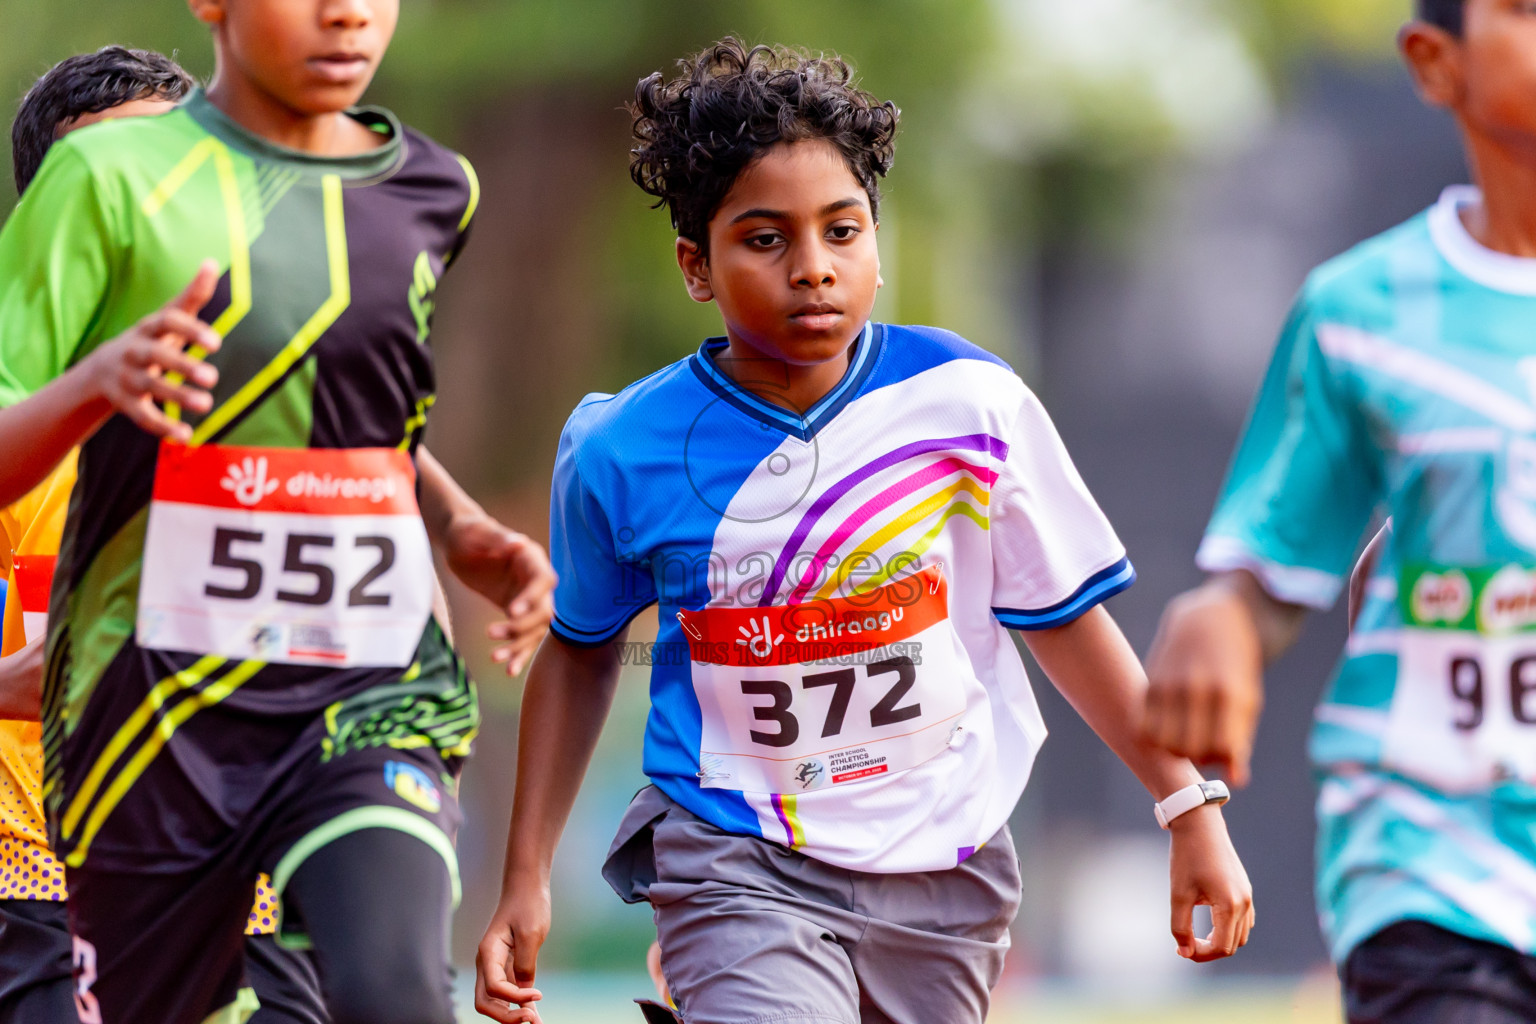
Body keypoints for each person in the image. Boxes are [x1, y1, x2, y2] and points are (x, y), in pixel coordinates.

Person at [475, 39, 1253, 1024]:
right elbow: (582, 653)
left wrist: (1188, 806)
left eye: (843, 231)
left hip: (946, 868)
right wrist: (525, 875)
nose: (814, 269)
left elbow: (1064, 620)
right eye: (765, 239)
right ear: (695, 265)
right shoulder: (623, 447)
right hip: (735, 854)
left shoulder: (967, 404)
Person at [0, 3, 555, 1023]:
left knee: (394, 994)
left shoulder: (419, 196)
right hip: (77, 833)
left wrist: (458, 527)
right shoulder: (45, 405)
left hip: (341, 725)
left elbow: (374, 435)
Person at [1141, 1, 1536, 1020]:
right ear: (1434, 61)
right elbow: (1276, 566)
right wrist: (1222, 617)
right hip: (1436, 865)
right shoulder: (1364, 313)